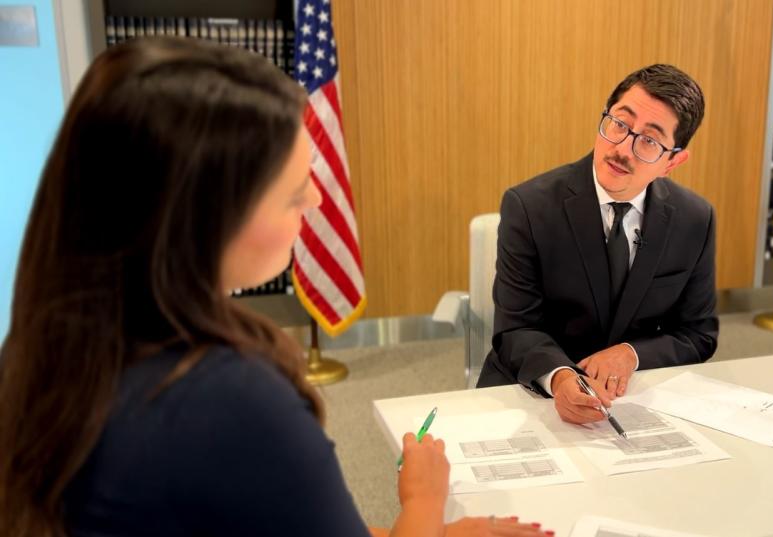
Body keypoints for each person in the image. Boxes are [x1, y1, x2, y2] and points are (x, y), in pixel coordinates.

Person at [0, 38, 549, 537]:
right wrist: (425, 502)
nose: (313, 201)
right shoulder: (229, 397)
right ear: (206, 219)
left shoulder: (53, 345)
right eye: (292, 193)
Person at [477, 64, 718, 425]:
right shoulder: (529, 206)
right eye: (619, 124)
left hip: (632, 398)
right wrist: (559, 376)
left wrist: (630, 354)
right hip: (531, 391)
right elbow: (515, 329)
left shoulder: (694, 218)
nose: (623, 149)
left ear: (673, 161)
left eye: (649, 141)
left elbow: (698, 335)